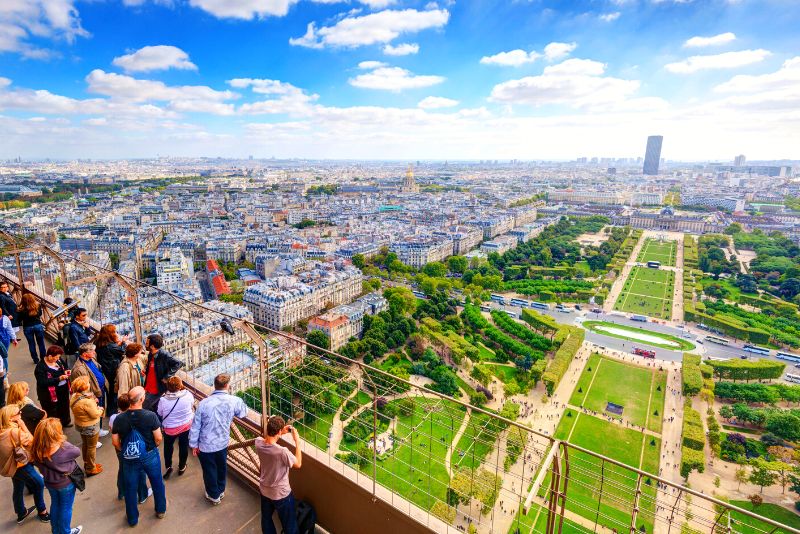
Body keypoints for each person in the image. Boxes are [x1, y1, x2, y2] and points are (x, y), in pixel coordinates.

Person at [111, 386, 167, 526]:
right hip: (149, 454)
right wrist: (153, 447)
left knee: (130, 488)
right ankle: (160, 510)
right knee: (157, 483)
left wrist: (125, 451)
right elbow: (158, 438)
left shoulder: (119, 419)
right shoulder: (150, 416)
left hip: (129, 458)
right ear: (142, 399)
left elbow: (115, 442)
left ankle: (132, 518)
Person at [189, 373, 247, 505]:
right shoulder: (234, 400)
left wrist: (193, 444)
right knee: (221, 467)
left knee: (209, 470)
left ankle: (213, 495)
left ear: (214, 385)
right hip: (222, 442)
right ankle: (221, 490)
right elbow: (243, 413)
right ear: (227, 386)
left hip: (205, 445)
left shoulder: (203, 403)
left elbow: (195, 426)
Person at [31, 418, 83, 534]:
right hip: (65, 483)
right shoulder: (63, 447)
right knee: (66, 508)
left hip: (50, 483)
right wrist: (61, 441)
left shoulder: (36, 449)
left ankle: (55, 530)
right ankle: (65, 532)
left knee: (55, 504)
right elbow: (77, 452)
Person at [0, 405, 50, 524]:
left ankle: (21, 512)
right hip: (21, 465)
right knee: (39, 483)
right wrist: (22, 425)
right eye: (18, 413)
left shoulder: (2, 431)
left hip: (10, 467)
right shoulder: (15, 432)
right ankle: (42, 512)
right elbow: (32, 442)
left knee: (18, 487)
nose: (21, 414)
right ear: (11, 418)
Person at [256, 415, 302, 534]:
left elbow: (268, 440)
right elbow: (298, 464)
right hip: (281, 494)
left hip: (264, 490)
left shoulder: (258, 442)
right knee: (289, 525)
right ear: (279, 431)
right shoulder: (282, 452)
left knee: (266, 519)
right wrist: (297, 441)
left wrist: (280, 433)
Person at [110, 393, 149, 503]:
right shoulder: (136, 417)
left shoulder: (114, 418)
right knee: (140, 471)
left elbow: (114, 440)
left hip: (120, 449)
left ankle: (121, 492)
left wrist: (120, 449)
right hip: (134, 447)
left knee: (122, 469)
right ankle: (142, 495)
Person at [157, 376, 194, 479]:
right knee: (183, 446)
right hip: (186, 426)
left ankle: (168, 467)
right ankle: (182, 467)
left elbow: (160, 413)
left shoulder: (163, 400)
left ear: (168, 386)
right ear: (180, 385)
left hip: (170, 428)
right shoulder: (188, 395)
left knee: (168, 447)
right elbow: (191, 406)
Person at [70, 343, 108, 437]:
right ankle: (95, 434)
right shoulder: (78, 369)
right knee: (94, 412)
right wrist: (91, 397)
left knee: (100, 409)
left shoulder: (92, 359)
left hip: (99, 390)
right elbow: (80, 387)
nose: (94, 352)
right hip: (93, 394)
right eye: (92, 351)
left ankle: (99, 429)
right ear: (84, 354)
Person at [68, 376, 104, 476]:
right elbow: (95, 414)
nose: (89, 384)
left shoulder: (75, 396)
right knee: (92, 447)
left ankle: (87, 463)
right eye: (87, 383)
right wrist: (100, 409)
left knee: (85, 445)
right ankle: (91, 468)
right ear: (84, 387)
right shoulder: (86, 402)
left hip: (80, 424)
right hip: (90, 426)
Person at [93, 324, 127, 418]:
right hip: (112, 370)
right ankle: (112, 412)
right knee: (114, 392)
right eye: (114, 331)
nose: (116, 333)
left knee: (109, 392)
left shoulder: (98, 342)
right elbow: (122, 351)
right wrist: (123, 342)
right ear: (110, 333)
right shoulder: (111, 345)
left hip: (104, 369)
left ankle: (109, 411)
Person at [142, 334, 183, 412]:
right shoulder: (151, 353)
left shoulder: (164, 355)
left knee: (143, 407)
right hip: (149, 386)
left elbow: (179, 363)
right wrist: (146, 370)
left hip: (157, 388)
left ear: (152, 346)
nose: (145, 345)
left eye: (147, 343)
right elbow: (153, 366)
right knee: (153, 408)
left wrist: (167, 377)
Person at [35, 346, 71, 428]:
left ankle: (65, 422)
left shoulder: (58, 360)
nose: (58, 358)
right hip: (49, 394)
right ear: (50, 356)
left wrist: (66, 371)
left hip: (63, 389)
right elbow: (42, 382)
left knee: (64, 406)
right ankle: (55, 428)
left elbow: (65, 367)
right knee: (53, 410)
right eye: (57, 357)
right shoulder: (40, 367)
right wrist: (59, 379)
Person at [18, 294, 47, 365]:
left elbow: (19, 319)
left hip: (27, 327)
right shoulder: (37, 306)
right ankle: (43, 358)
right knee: (41, 343)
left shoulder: (21, 309)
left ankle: (35, 359)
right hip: (37, 325)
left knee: (31, 344)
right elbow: (40, 314)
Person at [0, 306, 18, 377]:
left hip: (3, 340)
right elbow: (10, 329)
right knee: (4, 356)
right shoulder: (5, 318)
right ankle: (5, 372)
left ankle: (3, 372)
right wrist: (14, 339)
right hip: (5, 340)